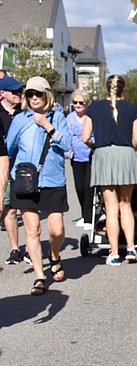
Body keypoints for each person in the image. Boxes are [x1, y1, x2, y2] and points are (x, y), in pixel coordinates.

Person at [5, 76, 72, 295]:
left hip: (52, 180)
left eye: (38, 94)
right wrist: (13, 173)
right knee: (32, 229)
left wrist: (48, 126)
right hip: (26, 181)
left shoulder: (58, 117)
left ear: (47, 95)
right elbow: (9, 149)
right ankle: (39, 276)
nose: (34, 98)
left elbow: (68, 145)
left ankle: (54, 255)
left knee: (57, 230)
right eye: (30, 94)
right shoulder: (20, 119)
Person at [82, 74, 137, 266]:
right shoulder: (133, 108)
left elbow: (85, 137)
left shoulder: (94, 108)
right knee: (126, 205)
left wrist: (97, 148)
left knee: (110, 208)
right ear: (123, 90)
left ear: (106, 88)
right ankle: (132, 248)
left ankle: (115, 253)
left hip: (103, 154)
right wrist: (127, 149)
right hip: (126, 154)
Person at [1, 75, 27, 264]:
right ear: (2, 94)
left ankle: (30, 246)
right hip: (4, 168)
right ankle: (15, 249)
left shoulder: (24, 114)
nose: (19, 94)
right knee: (9, 210)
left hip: (25, 168)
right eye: (15, 92)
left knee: (28, 209)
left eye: (20, 91)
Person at [66, 89, 94, 228]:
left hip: (91, 155)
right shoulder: (69, 118)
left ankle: (89, 218)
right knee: (79, 188)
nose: (77, 105)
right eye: (75, 102)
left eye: (80, 102)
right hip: (75, 156)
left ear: (87, 103)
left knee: (89, 187)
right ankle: (84, 214)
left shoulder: (92, 116)